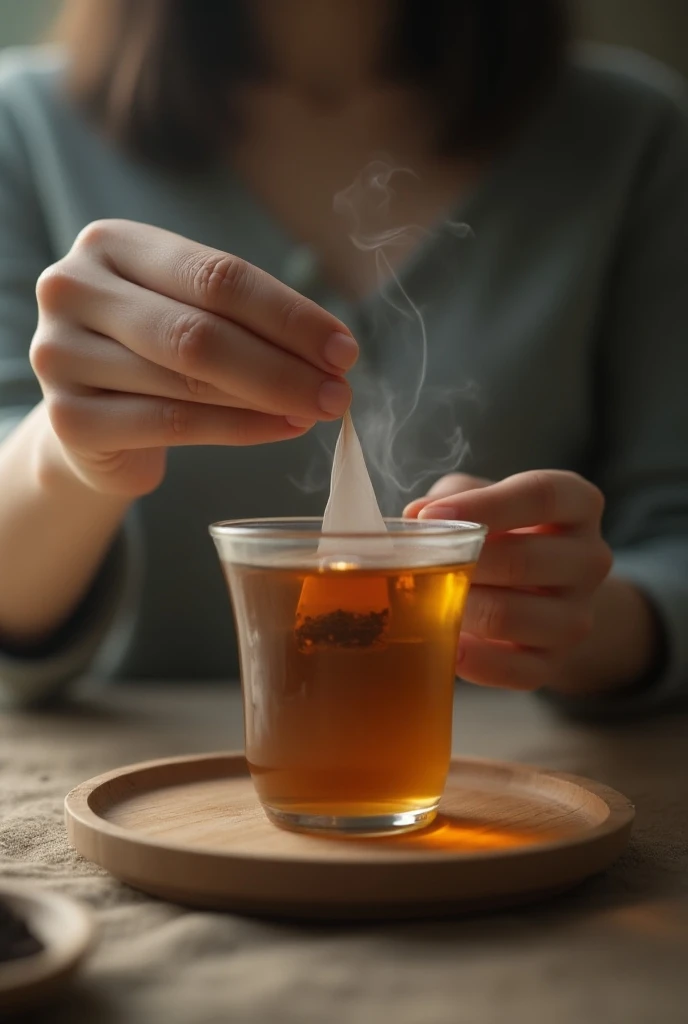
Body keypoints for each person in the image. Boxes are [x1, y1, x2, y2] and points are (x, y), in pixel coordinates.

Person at [0, 0, 686, 716]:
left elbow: (676, 534)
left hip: (512, 797)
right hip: (138, 791)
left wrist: (583, 620)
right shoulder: (25, 126)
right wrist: (70, 451)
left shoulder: (631, 138)